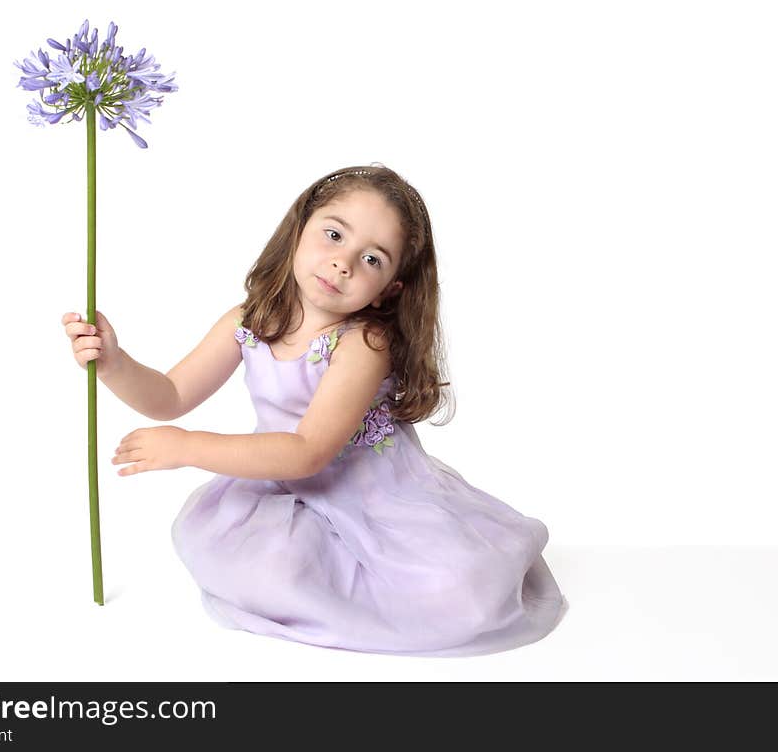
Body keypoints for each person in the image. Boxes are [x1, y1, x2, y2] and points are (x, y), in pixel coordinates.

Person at [62, 163, 569, 657]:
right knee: (240, 555)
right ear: (299, 230)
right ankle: (316, 590)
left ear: (390, 289)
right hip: (279, 485)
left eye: (372, 259)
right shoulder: (249, 320)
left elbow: (306, 453)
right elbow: (169, 395)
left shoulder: (364, 343)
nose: (344, 262)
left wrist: (191, 448)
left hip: (371, 496)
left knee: (459, 590)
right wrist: (113, 363)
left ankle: (370, 601)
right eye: (334, 235)